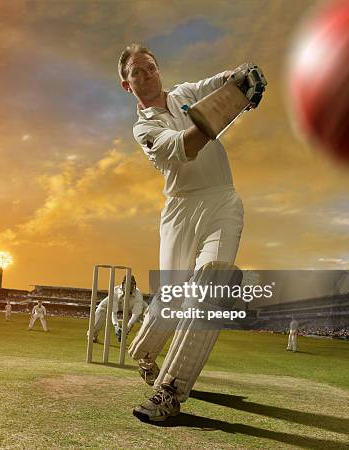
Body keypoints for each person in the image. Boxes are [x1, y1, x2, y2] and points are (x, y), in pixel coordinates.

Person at [118, 43, 260, 422]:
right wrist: (228, 108)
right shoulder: (144, 127)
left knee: (212, 285)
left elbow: (221, 82)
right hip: (180, 210)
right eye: (137, 72)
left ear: (159, 69)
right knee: (172, 297)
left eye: (150, 67)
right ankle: (144, 352)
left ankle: (171, 390)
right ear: (126, 84)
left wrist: (239, 77)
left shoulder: (184, 93)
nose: (147, 75)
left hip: (222, 201)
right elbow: (185, 147)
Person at [90, 275, 146, 343]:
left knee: (147, 312)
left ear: (134, 285)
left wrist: (127, 328)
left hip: (131, 307)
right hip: (117, 304)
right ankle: (92, 335)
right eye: (128, 283)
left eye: (132, 284)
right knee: (101, 309)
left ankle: (143, 340)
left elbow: (136, 314)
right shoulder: (115, 291)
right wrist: (116, 326)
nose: (130, 286)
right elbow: (113, 312)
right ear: (123, 284)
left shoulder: (138, 294)